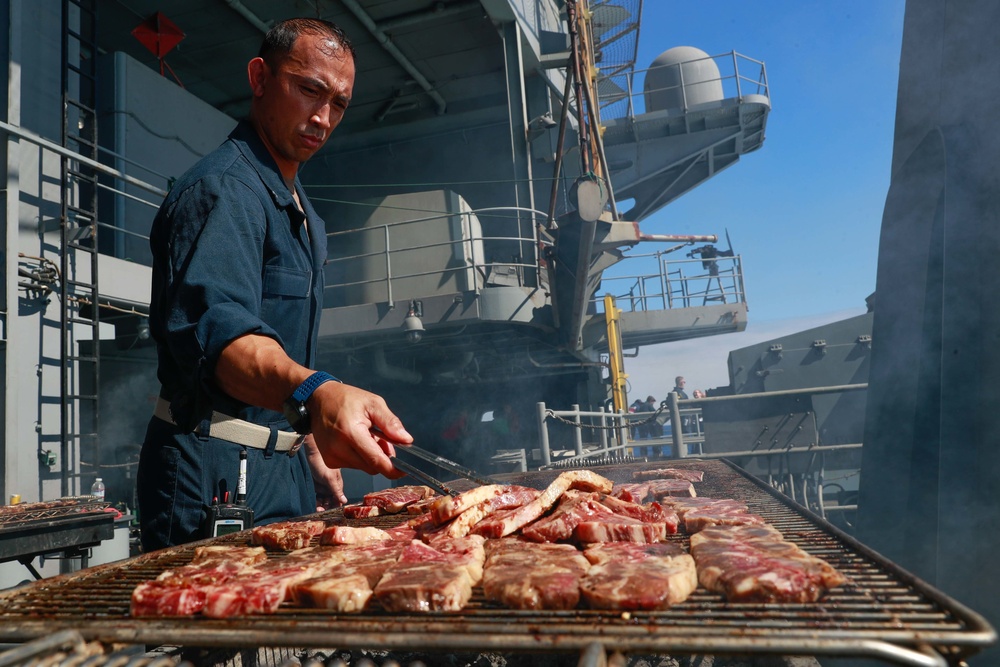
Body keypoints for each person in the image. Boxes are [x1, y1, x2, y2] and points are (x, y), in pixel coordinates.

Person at [137, 18, 412, 551]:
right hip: (211, 469)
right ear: (260, 78)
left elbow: (280, 344)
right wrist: (317, 391)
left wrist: (307, 443)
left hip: (280, 463)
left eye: (338, 103)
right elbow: (221, 339)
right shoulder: (223, 191)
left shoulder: (304, 213)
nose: (323, 117)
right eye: (309, 89)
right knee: (218, 630)